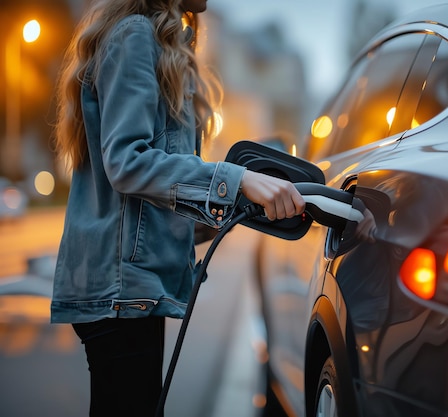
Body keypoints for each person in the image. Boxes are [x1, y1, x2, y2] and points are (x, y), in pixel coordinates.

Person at [51, 0, 305, 416]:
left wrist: (234, 203)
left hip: (131, 288)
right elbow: (127, 162)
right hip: (122, 288)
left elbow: (151, 192)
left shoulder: (158, 43)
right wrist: (234, 179)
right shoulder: (135, 35)